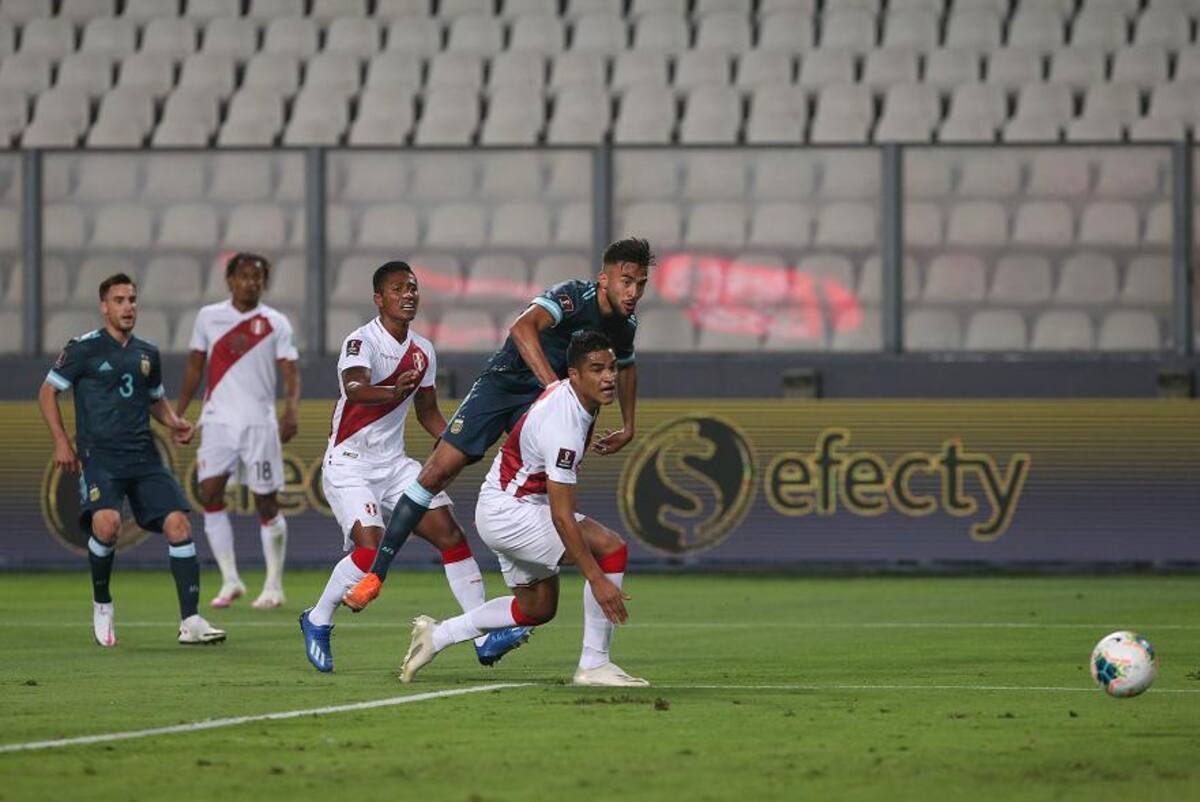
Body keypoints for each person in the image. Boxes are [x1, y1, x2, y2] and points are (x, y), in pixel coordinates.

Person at [344, 238, 654, 613]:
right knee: (436, 473)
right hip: (504, 384)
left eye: (640, 284)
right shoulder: (573, 296)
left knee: (543, 483)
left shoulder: (625, 325)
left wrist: (628, 425)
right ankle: (376, 575)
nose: (633, 292)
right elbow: (522, 329)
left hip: (540, 402)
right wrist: (553, 389)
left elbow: (628, 366)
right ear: (604, 279)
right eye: (626, 281)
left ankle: (522, 601)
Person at [298, 261, 529, 672]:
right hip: (349, 463)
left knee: (451, 535)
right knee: (370, 550)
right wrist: (390, 391)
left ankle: (483, 635)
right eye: (398, 288)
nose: (408, 294)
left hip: (394, 465)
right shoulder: (361, 341)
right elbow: (355, 388)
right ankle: (317, 619)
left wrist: (457, 443)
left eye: (413, 288)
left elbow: (427, 412)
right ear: (378, 299)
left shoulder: (424, 351)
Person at [399, 330, 647, 687]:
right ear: (574, 375)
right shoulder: (564, 426)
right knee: (610, 548)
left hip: (502, 504)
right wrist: (597, 579)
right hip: (512, 514)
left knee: (537, 608)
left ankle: (437, 636)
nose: (608, 377)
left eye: (611, 368)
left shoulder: (572, 397)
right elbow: (562, 516)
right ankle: (594, 664)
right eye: (597, 369)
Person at [37, 273, 226, 646]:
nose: (128, 307)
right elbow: (47, 392)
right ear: (104, 306)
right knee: (106, 525)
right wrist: (61, 441)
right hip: (100, 456)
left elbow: (154, 399)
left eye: (132, 300)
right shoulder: (83, 349)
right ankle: (102, 602)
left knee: (179, 525)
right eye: (119, 300)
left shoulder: (147, 352)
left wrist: (174, 422)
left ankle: (190, 621)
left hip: (144, 456)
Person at [175, 252, 300, 610]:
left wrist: (290, 412)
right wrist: (177, 415)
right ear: (230, 280)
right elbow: (194, 369)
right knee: (210, 493)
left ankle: (273, 585)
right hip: (217, 421)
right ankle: (230, 580)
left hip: (259, 423)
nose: (250, 282)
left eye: (257, 277)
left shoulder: (275, 322)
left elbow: (291, 372)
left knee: (266, 502)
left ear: (264, 282)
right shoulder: (208, 317)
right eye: (244, 276)